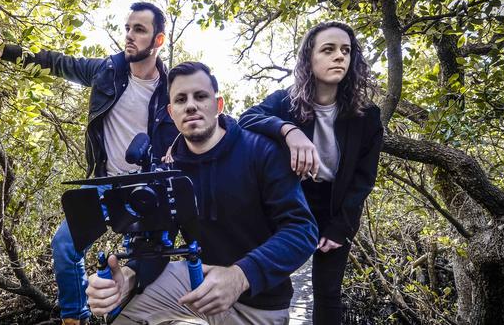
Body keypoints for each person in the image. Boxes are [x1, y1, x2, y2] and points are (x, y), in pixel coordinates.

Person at [0, 2, 179, 325]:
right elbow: (57, 64)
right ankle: (76, 319)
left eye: (139, 30)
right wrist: (6, 50)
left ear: (158, 40)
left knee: (134, 274)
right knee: (64, 245)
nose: (129, 35)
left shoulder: (172, 92)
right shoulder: (107, 72)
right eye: (127, 28)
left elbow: (201, 126)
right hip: (105, 183)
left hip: (146, 192)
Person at [85, 62, 318, 324]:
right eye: (181, 100)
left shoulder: (261, 151)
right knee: (122, 313)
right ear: (172, 113)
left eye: (200, 96)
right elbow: (158, 243)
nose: (191, 106)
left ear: (218, 105)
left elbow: (301, 229)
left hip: (259, 301)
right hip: (199, 280)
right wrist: (129, 277)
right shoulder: (168, 170)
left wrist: (241, 275)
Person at [238, 21, 383, 324]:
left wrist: (341, 227)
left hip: (336, 206)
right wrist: (288, 130)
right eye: (328, 50)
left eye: (346, 51)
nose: (339, 57)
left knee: (328, 291)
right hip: (292, 203)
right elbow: (247, 119)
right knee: (271, 281)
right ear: (310, 58)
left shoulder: (367, 117)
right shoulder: (285, 102)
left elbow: (363, 179)